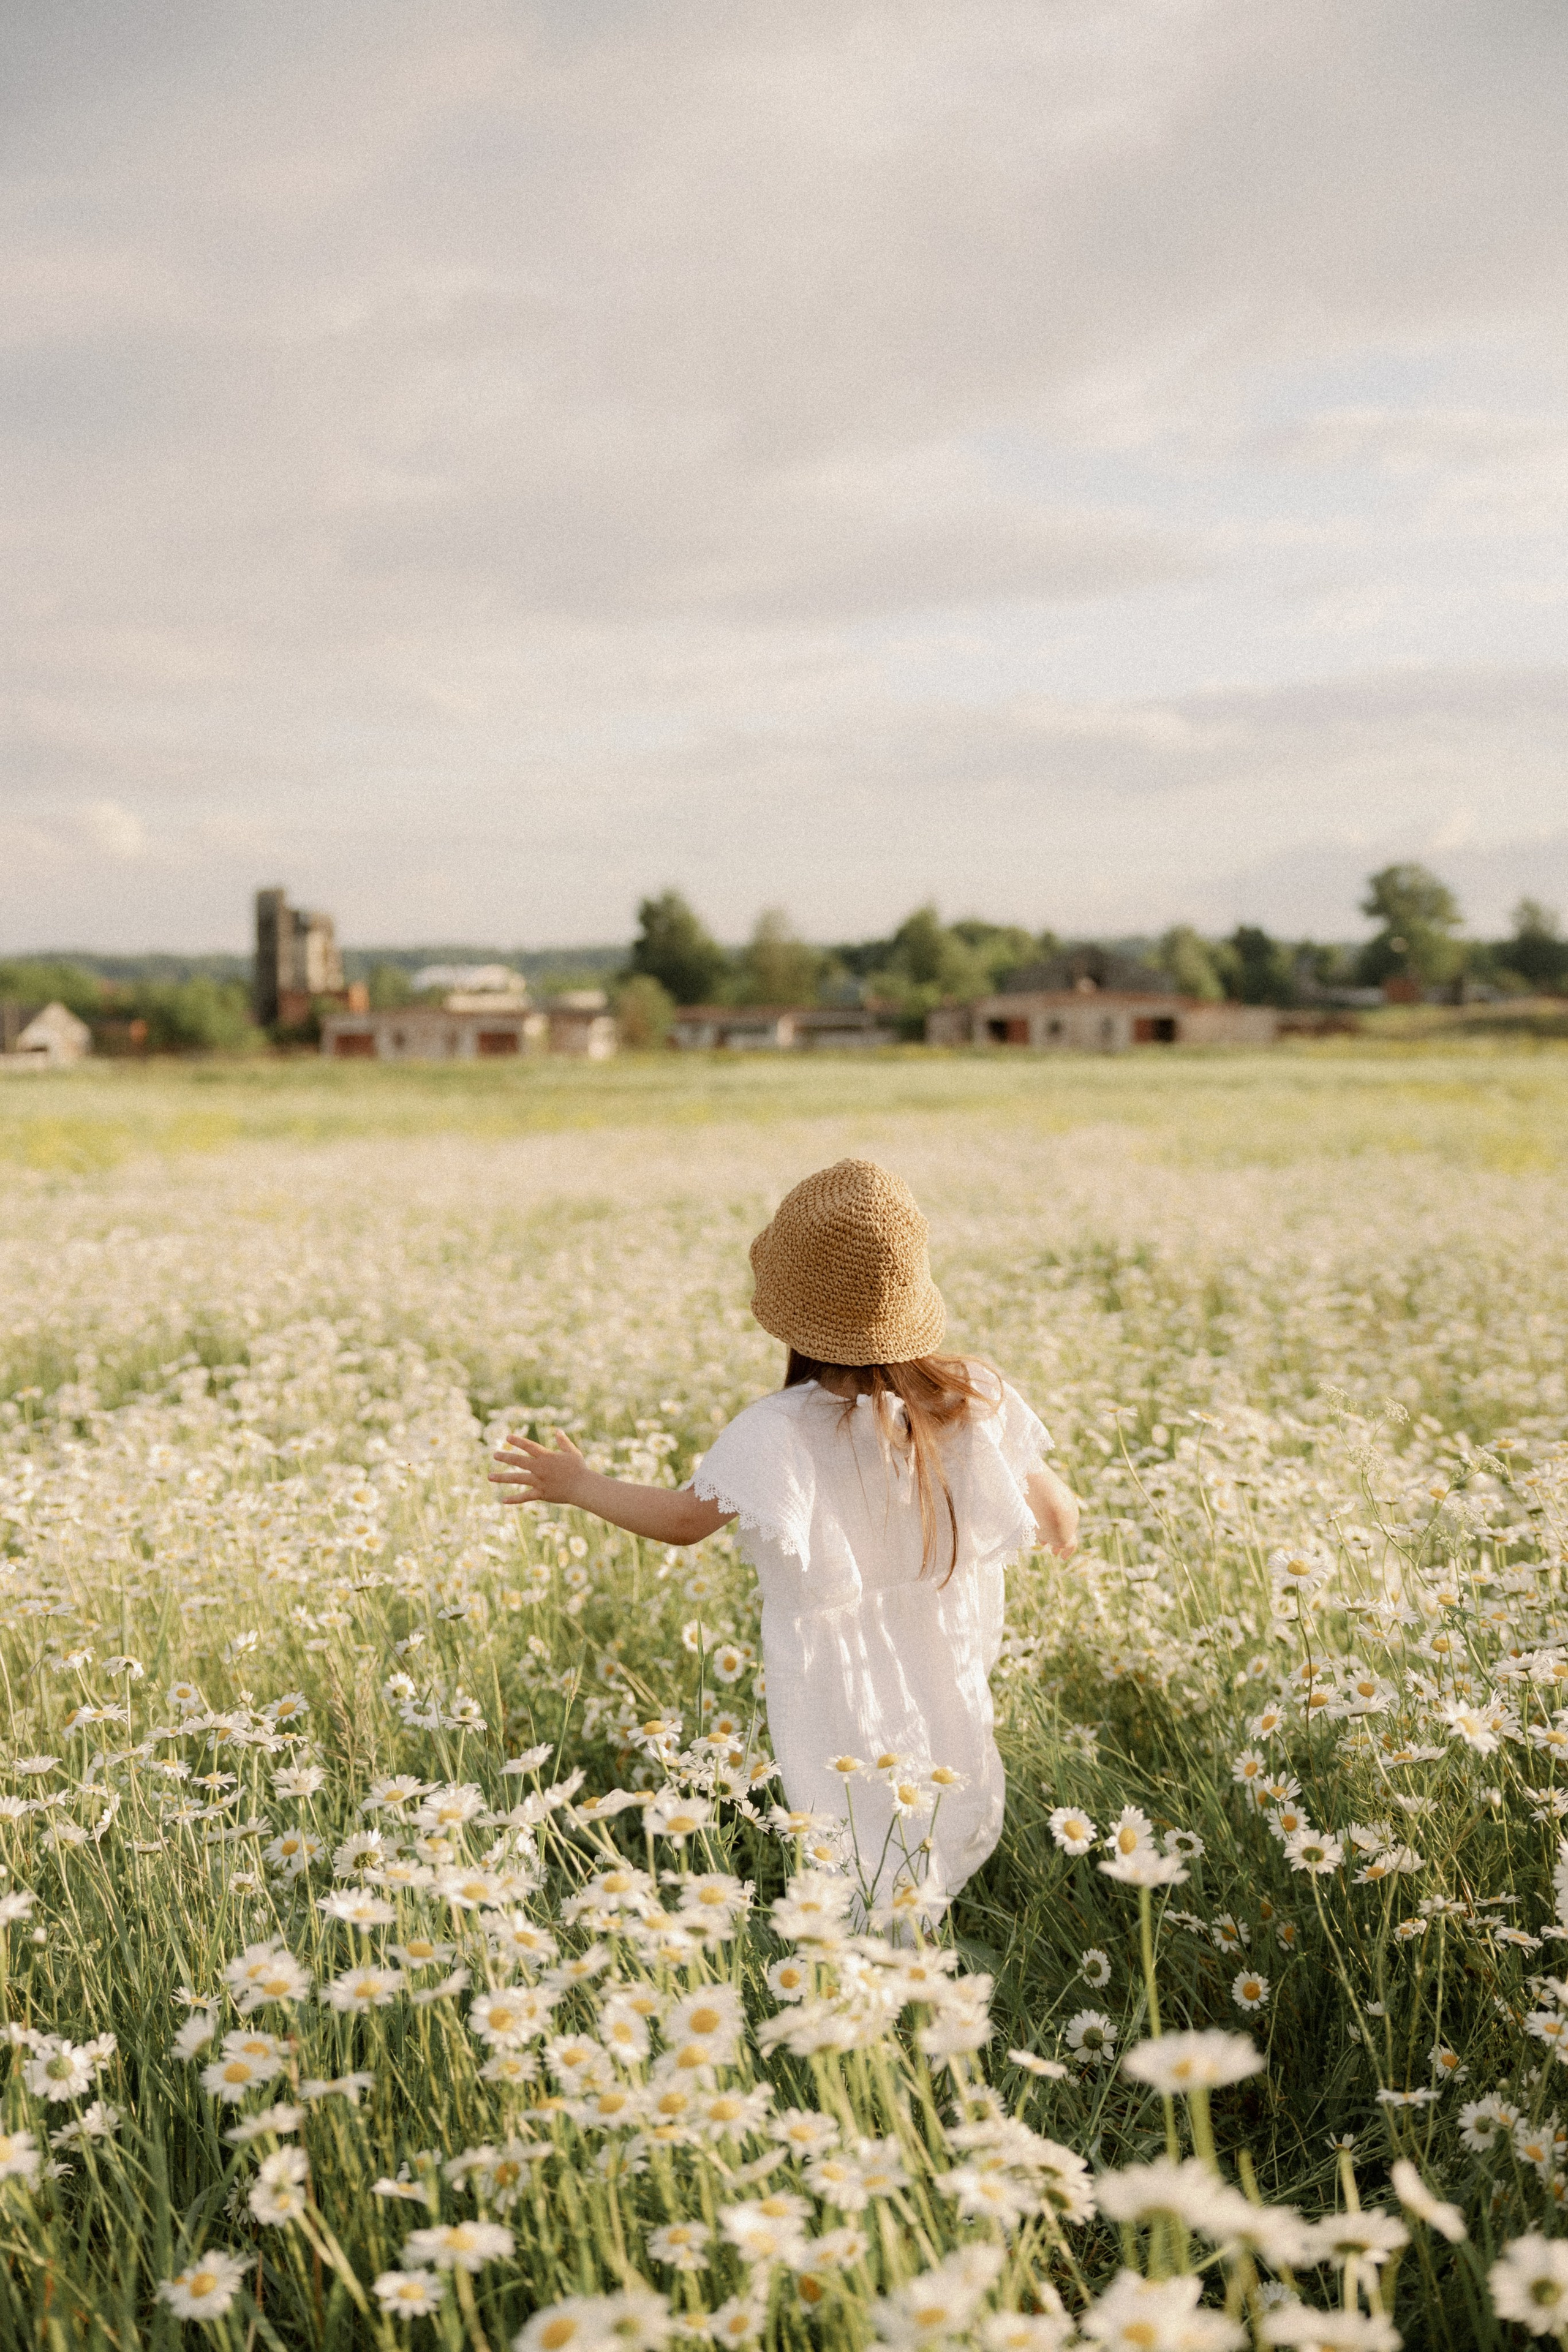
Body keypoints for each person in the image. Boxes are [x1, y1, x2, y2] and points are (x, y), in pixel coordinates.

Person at [490, 1157, 1077, 1914]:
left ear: (794, 1315)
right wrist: (1061, 1535)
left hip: (834, 1680)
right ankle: (930, 1936)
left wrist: (579, 1486)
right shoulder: (971, 1395)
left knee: (856, 1830)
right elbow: (1056, 1509)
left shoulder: (774, 1431)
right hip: (949, 1649)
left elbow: (681, 1522)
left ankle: (885, 1960)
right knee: (945, 1786)